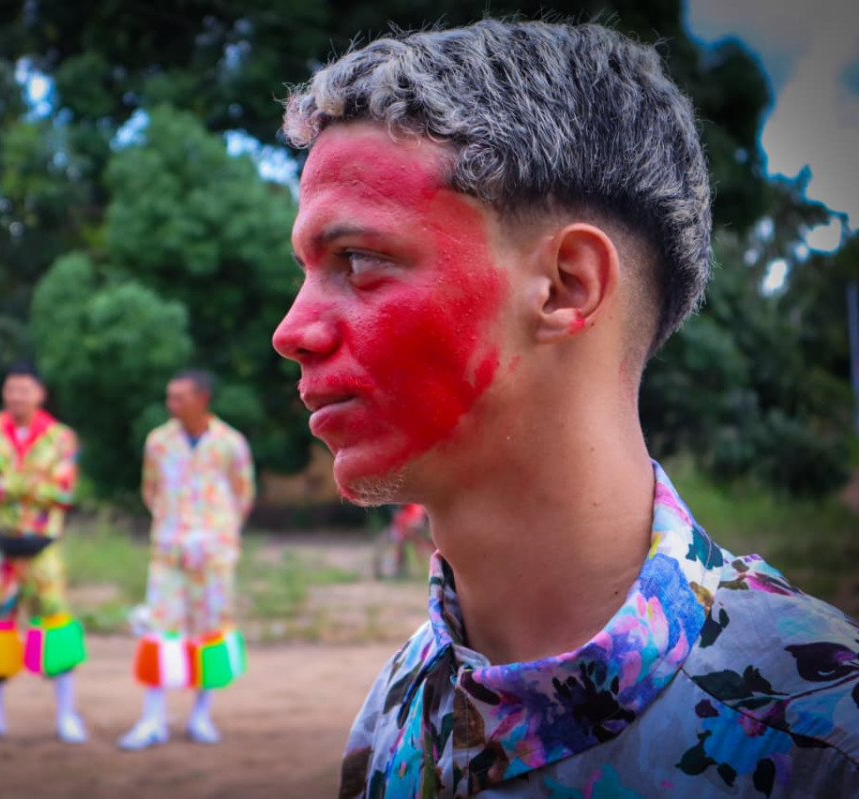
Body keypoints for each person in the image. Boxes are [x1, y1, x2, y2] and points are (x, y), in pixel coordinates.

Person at [273, 20, 859, 797]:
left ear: (565, 285)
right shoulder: (397, 714)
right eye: (309, 270)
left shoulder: (821, 734)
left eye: (358, 260)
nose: (292, 331)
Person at [118, 369, 256, 750]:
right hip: (169, 551)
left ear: (202, 399)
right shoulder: (159, 441)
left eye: (179, 396)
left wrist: (219, 533)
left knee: (209, 631)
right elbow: (151, 490)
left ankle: (201, 714)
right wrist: (172, 526)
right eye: (170, 397)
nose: (171, 404)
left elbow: (243, 493)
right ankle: (152, 718)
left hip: (213, 554)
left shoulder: (230, 442)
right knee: (160, 627)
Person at [0, 362, 88, 745]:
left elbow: (63, 491)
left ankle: (67, 716)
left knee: (55, 629)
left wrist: (3, 481)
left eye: (24, 389)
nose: (17, 396)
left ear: (39, 393)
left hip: (42, 550)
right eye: (11, 389)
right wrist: (33, 481)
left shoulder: (60, 438)